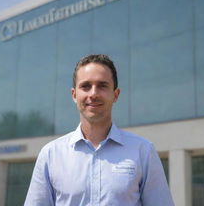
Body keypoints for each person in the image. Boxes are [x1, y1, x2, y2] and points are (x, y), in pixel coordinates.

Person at [24, 54, 174, 206]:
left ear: (115, 95)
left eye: (102, 86)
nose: (93, 94)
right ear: (74, 95)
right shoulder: (51, 154)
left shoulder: (143, 151)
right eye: (85, 86)